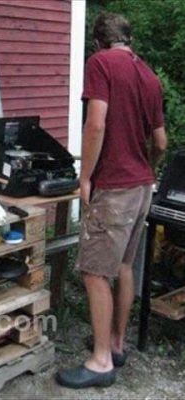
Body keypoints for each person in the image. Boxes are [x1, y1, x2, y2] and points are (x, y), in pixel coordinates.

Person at [56, 12, 167, 389]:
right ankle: (116, 344)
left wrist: (85, 176)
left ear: (98, 41)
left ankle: (101, 361)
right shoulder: (149, 75)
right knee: (122, 266)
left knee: (93, 272)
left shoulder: (100, 63)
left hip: (115, 189)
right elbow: (161, 142)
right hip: (142, 188)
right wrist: (146, 168)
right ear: (129, 39)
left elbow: (96, 123)